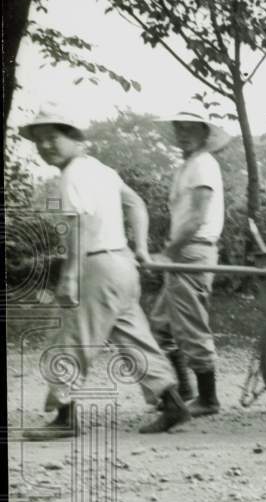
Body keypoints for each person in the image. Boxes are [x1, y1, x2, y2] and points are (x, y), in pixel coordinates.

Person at [19, 105, 190, 438]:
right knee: (133, 337)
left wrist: (70, 277)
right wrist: (139, 246)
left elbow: (78, 227)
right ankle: (172, 403)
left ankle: (64, 419)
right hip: (122, 265)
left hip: (95, 265)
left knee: (70, 339)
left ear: (75, 139)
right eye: (39, 141)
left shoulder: (72, 176)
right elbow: (136, 204)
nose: (45, 147)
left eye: (52, 138)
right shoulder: (100, 170)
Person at [148, 111, 229, 418]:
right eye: (178, 127)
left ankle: (208, 399)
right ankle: (184, 390)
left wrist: (168, 251)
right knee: (162, 324)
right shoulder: (188, 165)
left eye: (190, 128)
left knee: (191, 326)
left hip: (192, 252)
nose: (183, 133)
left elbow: (196, 217)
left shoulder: (203, 165)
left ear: (205, 133)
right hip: (184, 251)